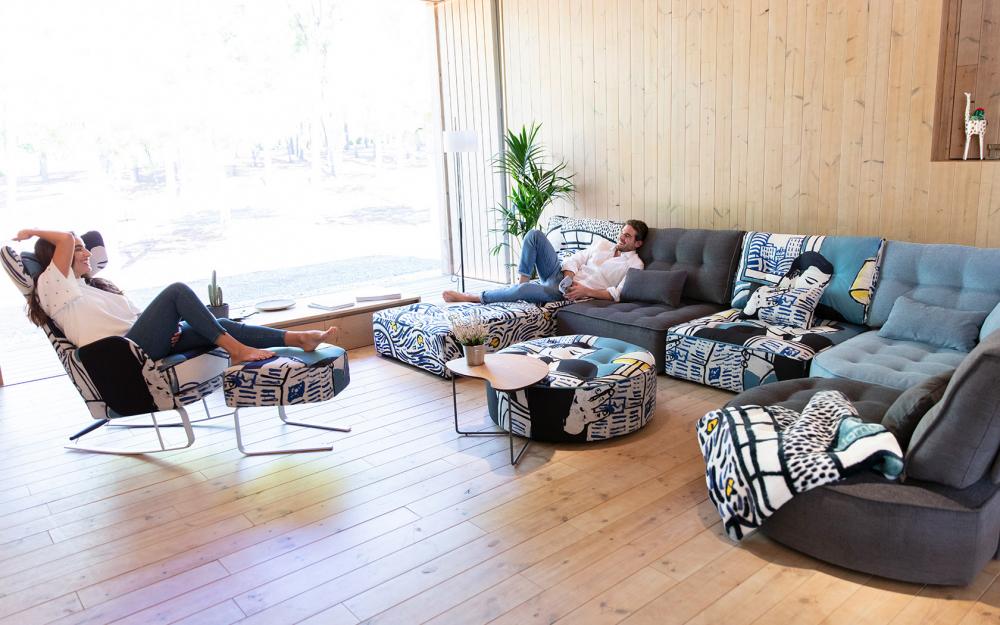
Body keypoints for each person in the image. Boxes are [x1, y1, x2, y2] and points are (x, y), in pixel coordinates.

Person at [15, 229, 338, 364]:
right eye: (80, 250)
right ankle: (238, 351)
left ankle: (300, 338)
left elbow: (136, 319)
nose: (87, 254)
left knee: (218, 323)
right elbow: (66, 240)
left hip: (141, 340)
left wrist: (167, 328)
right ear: (59, 257)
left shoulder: (92, 287)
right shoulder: (51, 288)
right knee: (177, 290)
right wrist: (32, 230)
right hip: (122, 355)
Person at [443, 219, 649, 305]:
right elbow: (576, 258)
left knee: (523, 293)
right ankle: (522, 282)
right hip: (560, 276)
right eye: (622, 233)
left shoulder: (635, 265)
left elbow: (618, 293)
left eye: (628, 237)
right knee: (534, 235)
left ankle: (470, 297)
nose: (621, 238)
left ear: (638, 243)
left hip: (569, 294)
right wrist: (568, 274)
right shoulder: (603, 244)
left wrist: (586, 291)